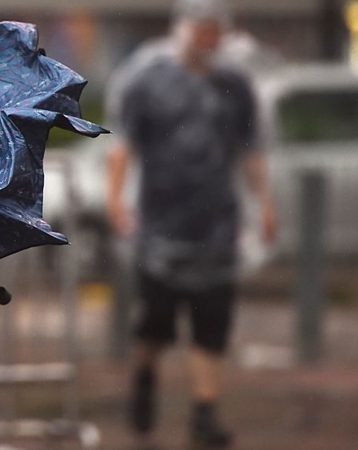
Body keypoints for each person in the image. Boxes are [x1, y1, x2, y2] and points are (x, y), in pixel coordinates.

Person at [105, 0, 277, 448]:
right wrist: (116, 201)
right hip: (161, 223)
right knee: (156, 323)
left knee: (212, 323)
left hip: (217, 223)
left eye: (216, 32)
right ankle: (144, 376)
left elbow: (249, 149)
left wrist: (266, 204)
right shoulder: (149, 83)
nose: (209, 40)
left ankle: (205, 412)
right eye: (202, 30)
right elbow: (124, 146)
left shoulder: (233, 85)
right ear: (183, 30)